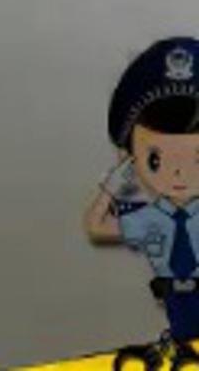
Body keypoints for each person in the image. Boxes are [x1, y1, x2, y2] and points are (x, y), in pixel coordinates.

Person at [84, 37, 199, 354]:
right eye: (155, 159)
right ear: (131, 157)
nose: (179, 173)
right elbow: (96, 225)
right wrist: (114, 183)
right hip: (181, 322)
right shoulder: (151, 219)